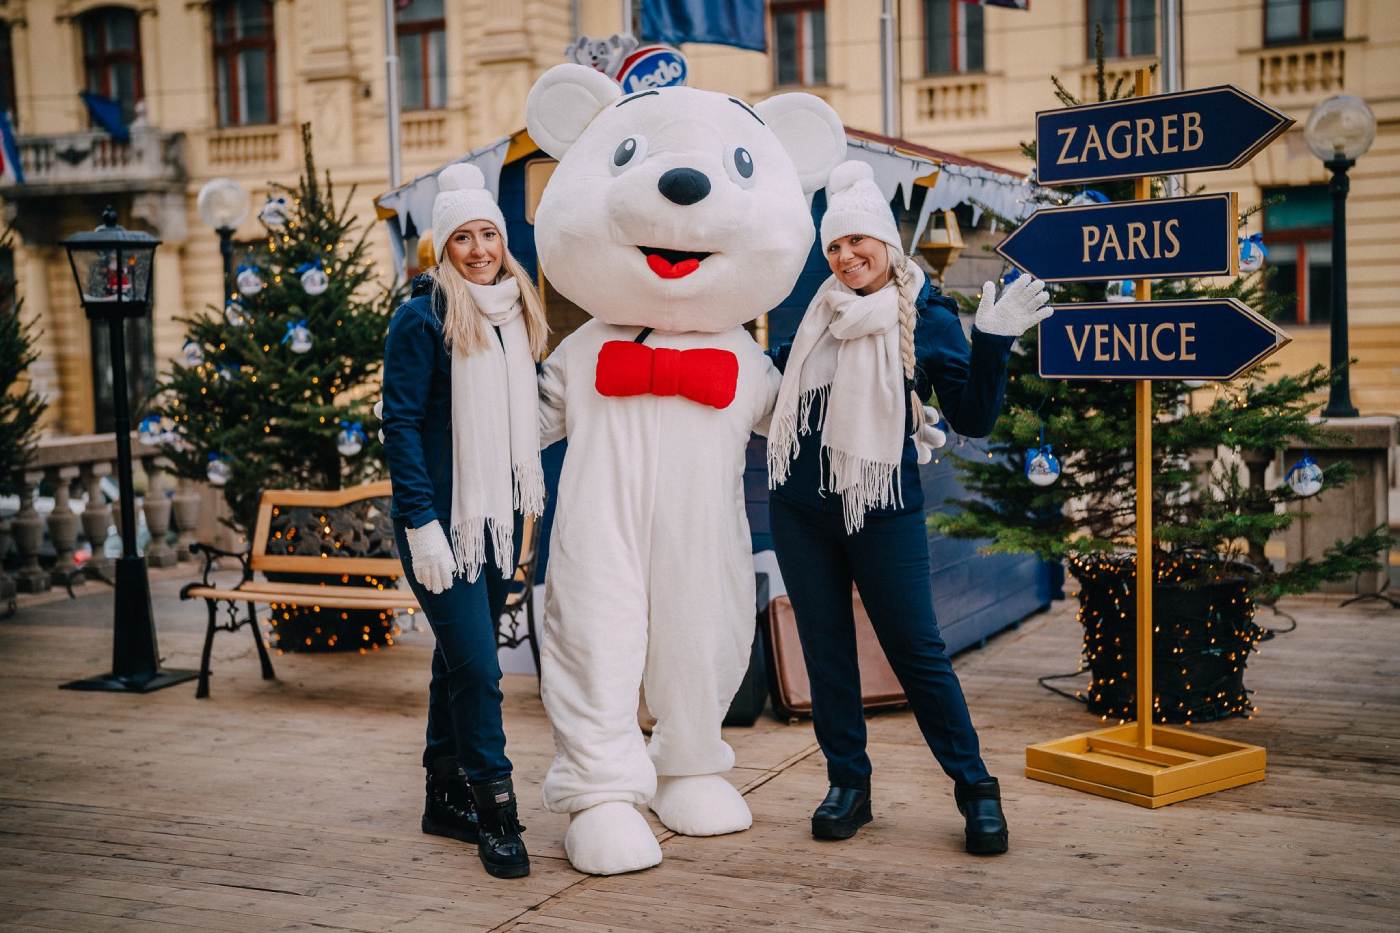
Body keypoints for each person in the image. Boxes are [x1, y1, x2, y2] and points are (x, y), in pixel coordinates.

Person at [766, 160, 1052, 856]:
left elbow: (974, 417)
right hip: (801, 508)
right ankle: (848, 784)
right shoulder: (818, 310)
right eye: (835, 246)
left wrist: (993, 341)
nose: (846, 256)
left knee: (917, 653)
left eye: (858, 241)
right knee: (826, 649)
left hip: (884, 507)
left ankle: (976, 788)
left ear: (887, 244)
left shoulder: (924, 314)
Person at [381, 162, 548, 879]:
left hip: (496, 520)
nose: (479, 249)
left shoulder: (515, 312)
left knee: (457, 660)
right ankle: (497, 810)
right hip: (441, 524)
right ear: (442, 246)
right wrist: (420, 523)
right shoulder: (422, 317)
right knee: (483, 671)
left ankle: (441, 794)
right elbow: (401, 424)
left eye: (489, 235)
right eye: (463, 238)